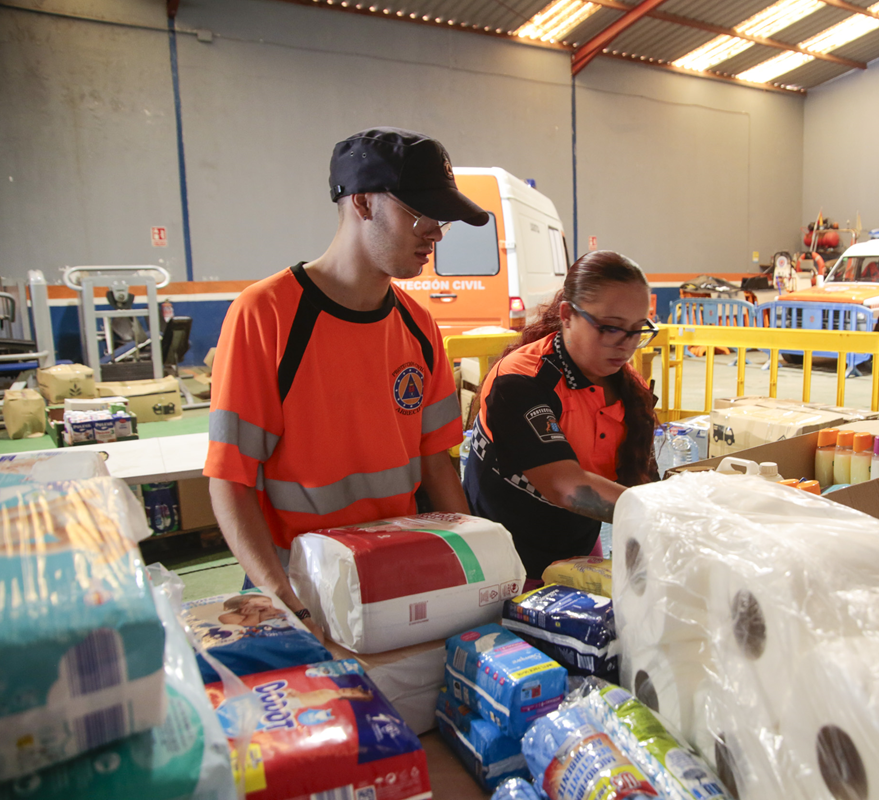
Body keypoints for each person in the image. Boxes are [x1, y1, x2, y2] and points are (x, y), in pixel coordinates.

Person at [205, 127, 484, 639]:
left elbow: (435, 462)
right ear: (362, 203)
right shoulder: (265, 315)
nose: (436, 234)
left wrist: (473, 563)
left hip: (392, 576)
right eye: (420, 215)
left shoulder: (419, 327)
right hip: (299, 582)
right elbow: (231, 479)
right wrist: (281, 596)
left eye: (440, 220)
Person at [463, 250, 660, 586]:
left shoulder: (631, 391)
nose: (626, 345)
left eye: (637, 330)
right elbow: (564, 485)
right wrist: (668, 515)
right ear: (568, 314)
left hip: (575, 556)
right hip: (503, 565)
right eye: (611, 328)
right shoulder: (519, 381)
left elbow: (641, 482)